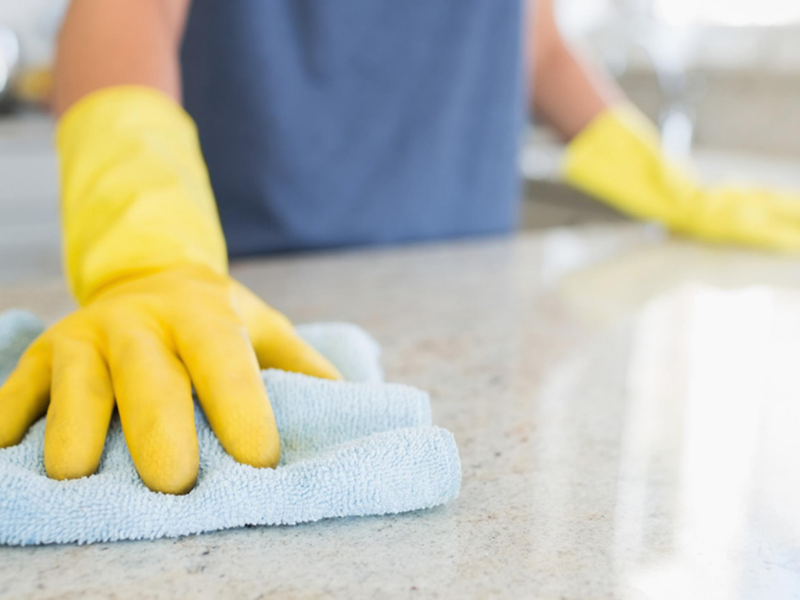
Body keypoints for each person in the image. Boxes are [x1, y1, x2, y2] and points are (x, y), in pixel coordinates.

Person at [1, 0, 798, 494]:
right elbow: (121, 10)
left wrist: (665, 183)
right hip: (252, 305)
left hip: (476, 293)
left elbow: (540, 42)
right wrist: (152, 253)